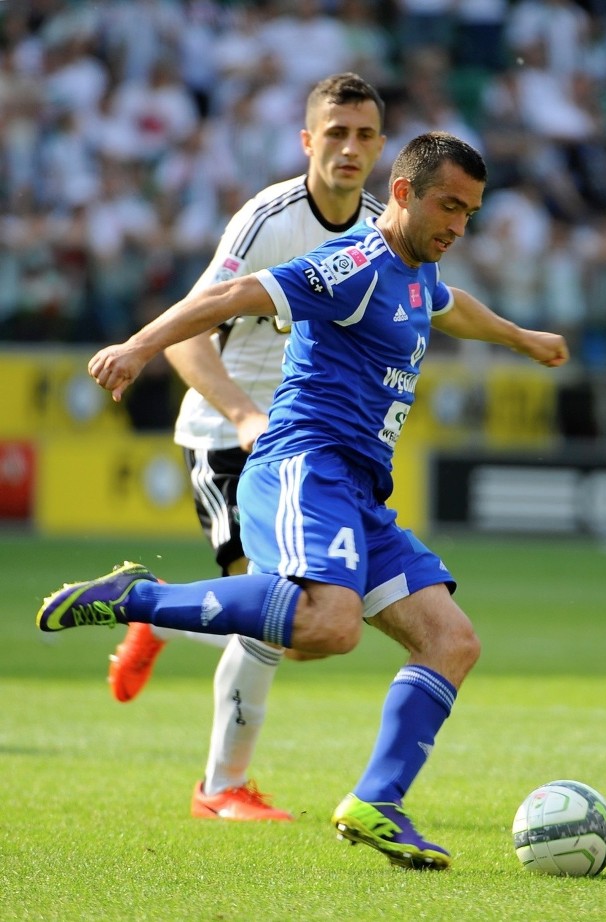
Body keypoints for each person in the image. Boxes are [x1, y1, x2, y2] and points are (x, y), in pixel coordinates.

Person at [37, 131, 569, 870]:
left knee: (453, 642)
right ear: (405, 193)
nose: (458, 224)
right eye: (448, 205)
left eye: (471, 213)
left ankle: (377, 804)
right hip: (305, 466)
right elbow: (229, 295)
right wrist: (137, 347)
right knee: (330, 624)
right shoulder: (353, 266)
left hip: (360, 492)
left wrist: (521, 338)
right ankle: (142, 599)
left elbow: (451, 308)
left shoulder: (419, 272)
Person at [108, 72, 387, 823]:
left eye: (364, 135)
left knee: (300, 633)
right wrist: (240, 416)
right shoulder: (267, 219)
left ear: (382, 146)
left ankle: (160, 615)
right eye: (336, 132)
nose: (349, 148)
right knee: (278, 612)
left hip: (304, 447)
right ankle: (220, 788)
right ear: (307, 141)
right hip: (228, 436)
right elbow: (190, 331)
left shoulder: (375, 232)